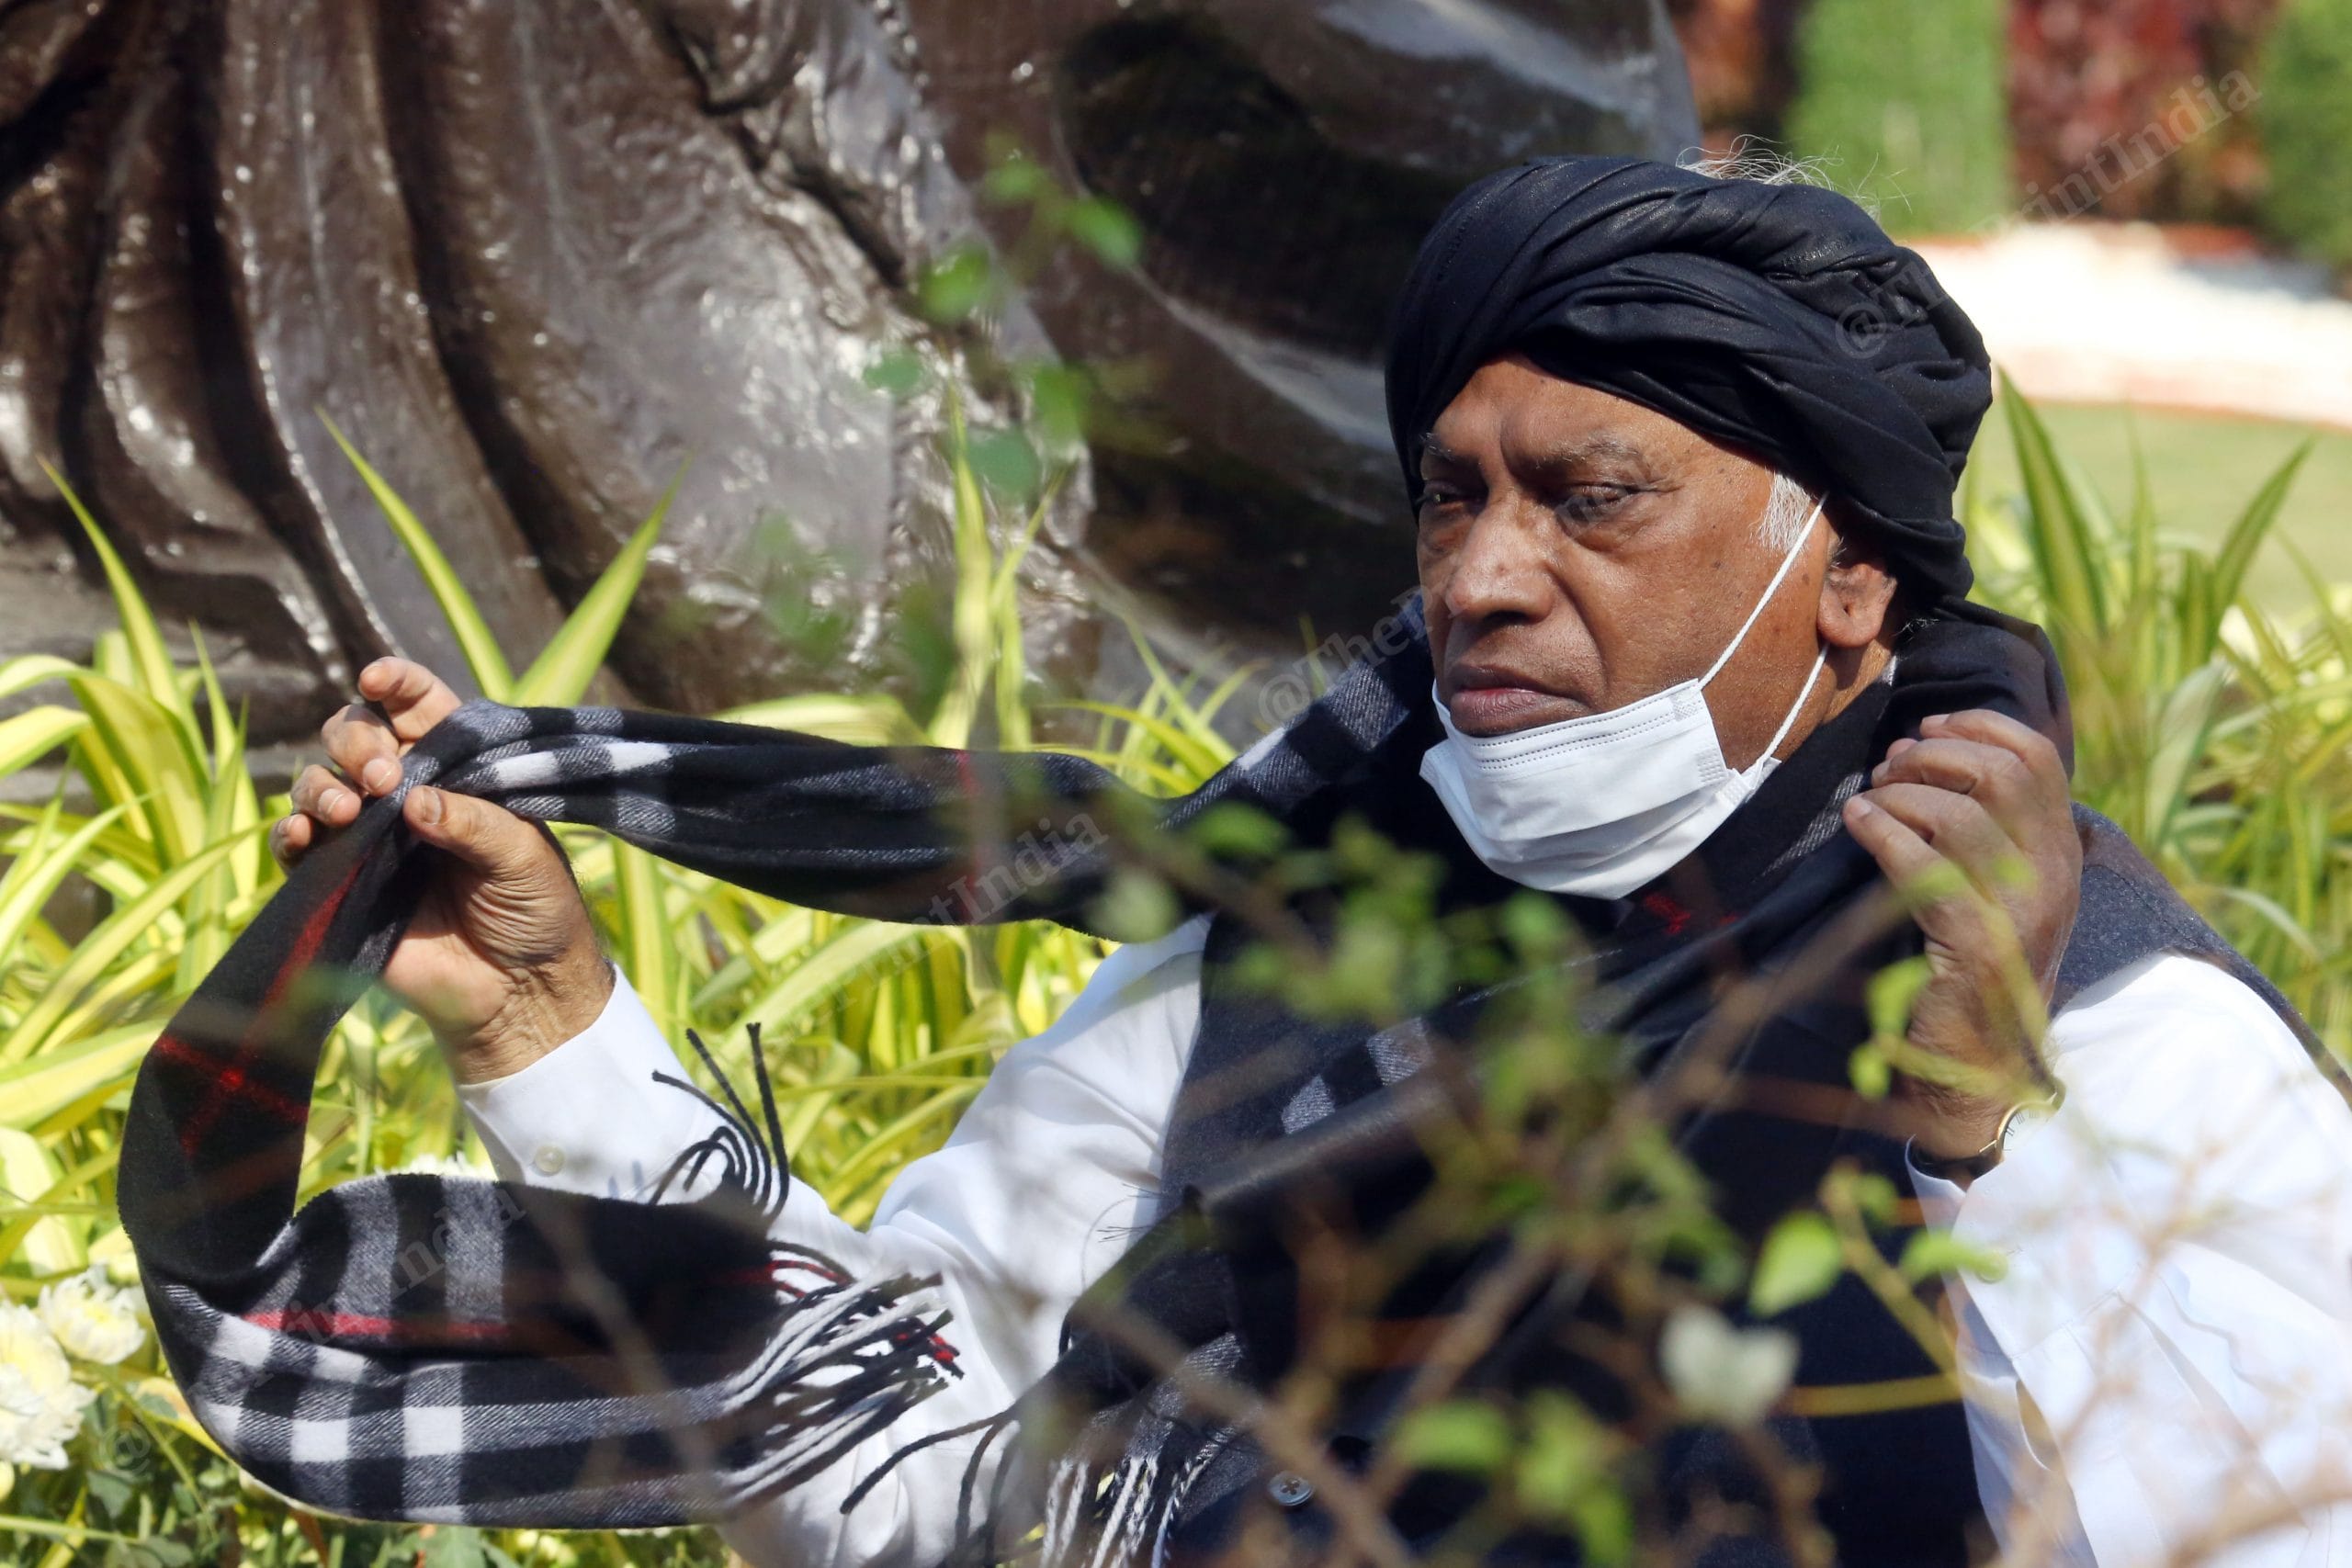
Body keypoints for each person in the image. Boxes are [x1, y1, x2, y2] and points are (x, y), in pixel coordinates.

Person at [197, 154, 2352, 1565]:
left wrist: (1948, 1141)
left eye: (1587, 497)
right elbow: (914, 1475)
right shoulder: (1300, 946)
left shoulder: (2119, 1041)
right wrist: (554, 1028)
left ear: (1847, 577)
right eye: (1448, 498)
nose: (1483, 577)